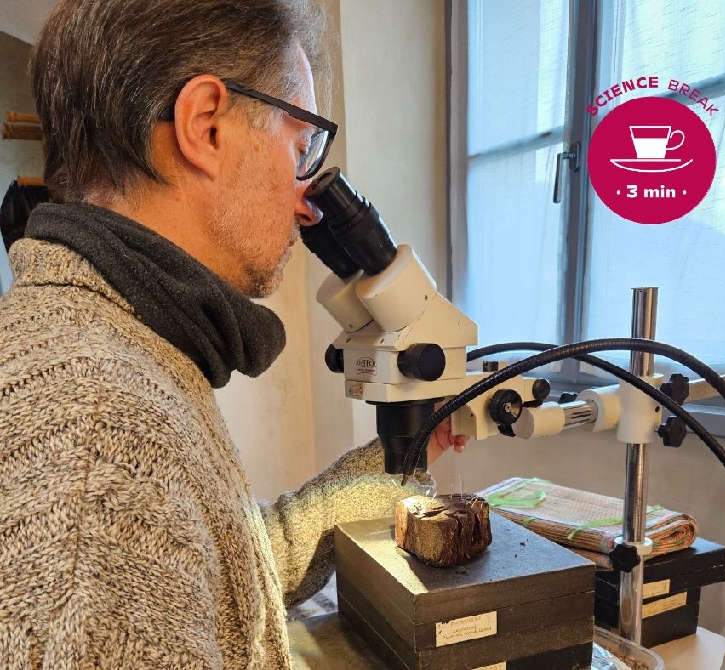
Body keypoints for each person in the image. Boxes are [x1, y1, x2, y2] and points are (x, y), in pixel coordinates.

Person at [0, 1, 466, 667]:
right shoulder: (104, 434)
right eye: (299, 147)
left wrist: (384, 468)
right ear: (206, 126)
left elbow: (224, 572)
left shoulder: (121, 348)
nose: (306, 201)